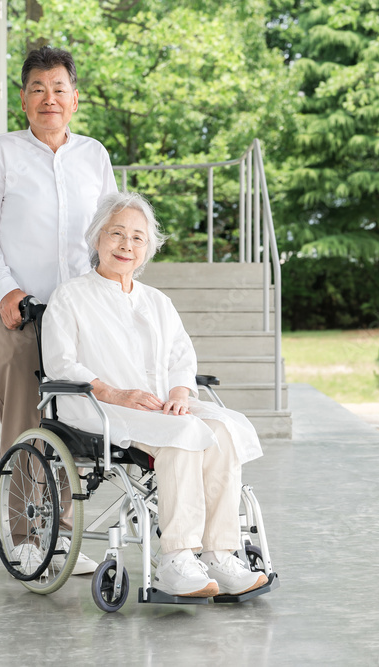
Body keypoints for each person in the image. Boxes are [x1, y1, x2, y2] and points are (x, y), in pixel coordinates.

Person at [41, 191, 268, 597]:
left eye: (138, 238)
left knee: (222, 428)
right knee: (181, 436)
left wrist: (181, 391)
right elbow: (62, 364)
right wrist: (117, 394)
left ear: (148, 250)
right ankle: (176, 559)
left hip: (160, 403)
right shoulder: (70, 296)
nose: (127, 245)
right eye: (117, 234)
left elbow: (182, 356)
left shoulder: (158, 302)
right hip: (96, 406)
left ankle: (219, 553)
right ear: (97, 239)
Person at [0, 46, 116, 575]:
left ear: (75, 99)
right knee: (25, 425)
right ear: (23, 101)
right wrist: (5, 289)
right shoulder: (2, 153)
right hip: (20, 312)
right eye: (37, 89)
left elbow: (109, 232)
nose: (49, 99)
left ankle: (64, 534)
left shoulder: (94, 156)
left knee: (74, 422)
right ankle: (28, 538)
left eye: (58, 89)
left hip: (78, 317)